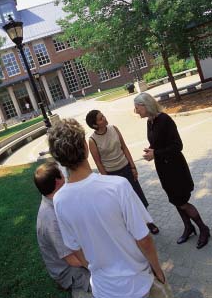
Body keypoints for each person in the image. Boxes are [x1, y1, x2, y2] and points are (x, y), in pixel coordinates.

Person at [48, 118, 173, 298]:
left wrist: (97, 268)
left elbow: (74, 247)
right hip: (138, 284)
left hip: (103, 289)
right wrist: (157, 270)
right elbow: (143, 238)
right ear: (85, 147)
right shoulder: (118, 186)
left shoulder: (59, 200)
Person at [134, 92, 210, 249]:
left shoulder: (164, 120)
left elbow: (177, 146)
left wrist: (156, 153)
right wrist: (151, 151)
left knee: (182, 202)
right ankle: (188, 228)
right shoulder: (150, 121)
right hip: (163, 168)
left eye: (137, 108)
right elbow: (158, 142)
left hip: (175, 169)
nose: (135, 112)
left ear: (145, 105)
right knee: (175, 200)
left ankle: (203, 229)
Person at [85, 109, 159, 235]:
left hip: (126, 168)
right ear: (95, 125)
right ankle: (133, 227)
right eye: (101, 118)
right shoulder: (92, 140)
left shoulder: (114, 128)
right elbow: (98, 163)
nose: (104, 117)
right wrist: (106, 180)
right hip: (112, 174)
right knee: (122, 203)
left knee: (138, 196)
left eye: (103, 115)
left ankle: (148, 222)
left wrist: (133, 167)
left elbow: (124, 148)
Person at [34, 162, 92, 298]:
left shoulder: (54, 201)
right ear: (58, 181)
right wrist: (100, 262)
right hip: (70, 271)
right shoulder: (51, 220)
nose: (65, 175)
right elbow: (73, 260)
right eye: (61, 173)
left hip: (77, 257)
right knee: (111, 283)